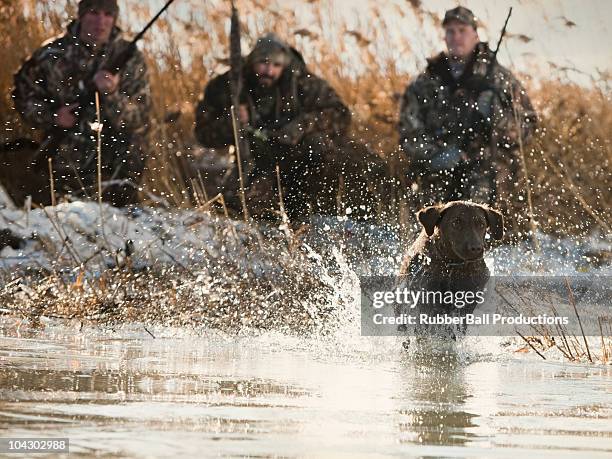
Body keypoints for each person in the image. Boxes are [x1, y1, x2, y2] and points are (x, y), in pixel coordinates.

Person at [195, 33, 358, 221]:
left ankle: (315, 211)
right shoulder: (229, 85)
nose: (269, 70)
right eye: (263, 63)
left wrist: (300, 127)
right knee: (233, 210)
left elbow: (341, 115)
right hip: (252, 163)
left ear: (285, 65)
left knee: (319, 147)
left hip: (298, 160)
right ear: (252, 61)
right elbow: (203, 133)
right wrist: (232, 121)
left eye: (276, 65)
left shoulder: (302, 82)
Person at [12, 0, 151, 207]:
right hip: (66, 154)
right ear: (81, 15)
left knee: (133, 145)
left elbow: (139, 116)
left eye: (108, 15)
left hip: (114, 157)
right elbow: (24, 99)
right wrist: (54, 116)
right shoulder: (50, 55)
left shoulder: (131, 58)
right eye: (94, 13)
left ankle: (124, 208)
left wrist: (112, 94)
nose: (101, 21)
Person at [398, 6, 537, 208]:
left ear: (475, 35)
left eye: (462, 30)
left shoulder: (499, 79)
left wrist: (497, 120)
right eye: (450, 31)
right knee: (424, 219)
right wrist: (436, 155)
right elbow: (408, 134)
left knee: (482, 215)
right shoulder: (424, 83)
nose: (456, 37)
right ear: (444, 37)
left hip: (488, 171)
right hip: (439, 170)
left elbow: (529, 126)